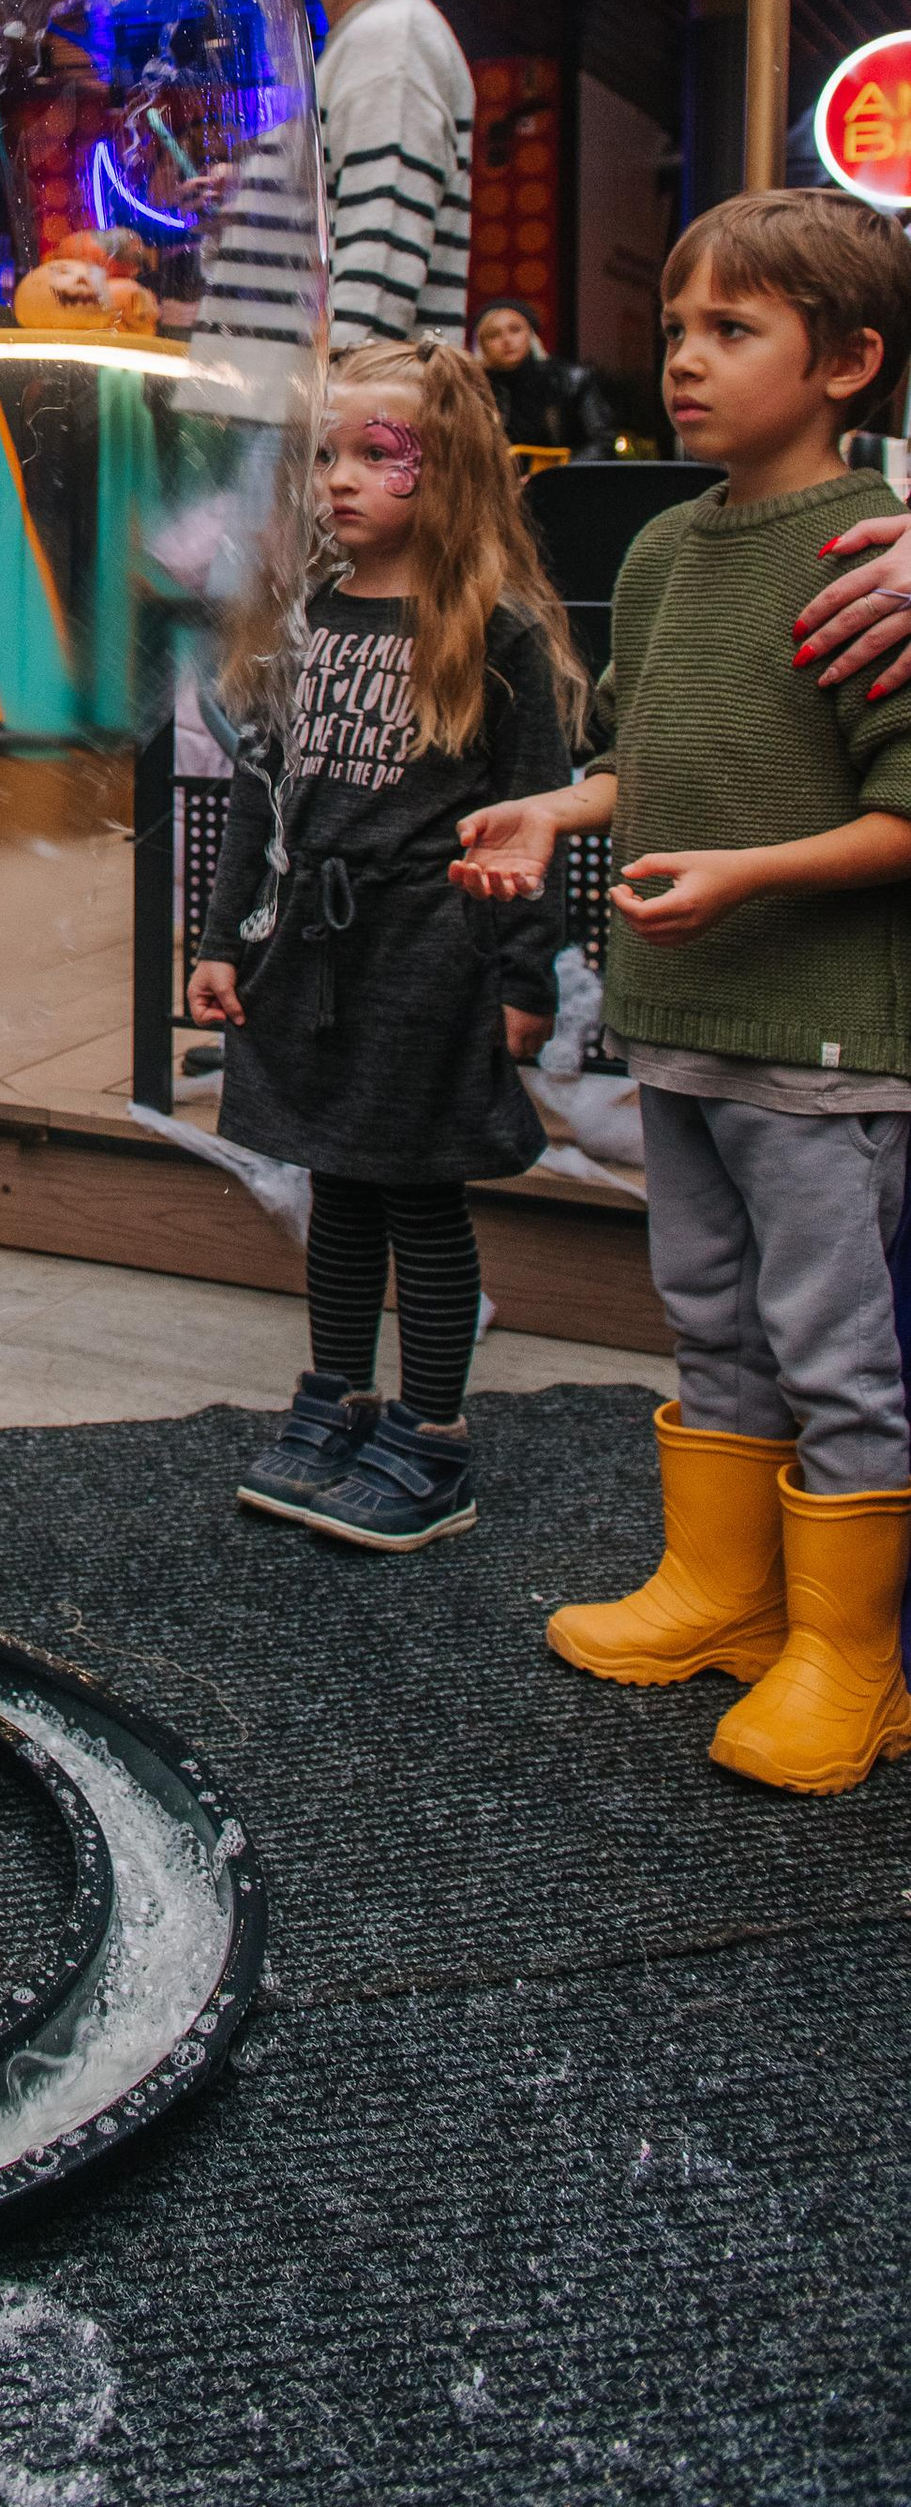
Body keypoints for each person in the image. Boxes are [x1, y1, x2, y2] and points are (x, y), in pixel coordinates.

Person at [453, 192, 911, 1796]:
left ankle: (855, 1658)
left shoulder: (874, 560)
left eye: (736, 331)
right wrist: (558, 811)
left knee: (837, 1349)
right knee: (710, 1323)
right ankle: (725, 1597)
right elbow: (638, 757)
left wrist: (745, 873)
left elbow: (903, 815)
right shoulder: (656, 547)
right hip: (681, 1023)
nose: (689, 364)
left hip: (826, 1043)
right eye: (677, 332)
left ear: (851, 361)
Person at [190, 338, 576, 1550]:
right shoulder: (302, 617)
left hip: (431, 952)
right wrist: (220, 939)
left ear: (447, 468)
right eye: (324, 455)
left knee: (419, 1196)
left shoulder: (491, 632)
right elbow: (262, 791)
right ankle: (334, 1397)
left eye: (377, 454)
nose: (338, 480)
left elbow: (530, 818)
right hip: (311, 956)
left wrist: (522, 976)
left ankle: (434, 1431)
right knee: (337, 1184)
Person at [281, 0, 473, 348]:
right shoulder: (363, 34)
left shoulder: (390, 34)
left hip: (344, 414)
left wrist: (339, 411)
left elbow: (379, 254)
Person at [473, 298, 615, 457]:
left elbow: (603, 443)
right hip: (497, 480)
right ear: (482, 344)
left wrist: (553, 474)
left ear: (530, 334)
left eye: (515, 330)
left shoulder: (571, 379)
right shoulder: (474, 389)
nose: (507, 340)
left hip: (559, 478)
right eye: (493, 334)